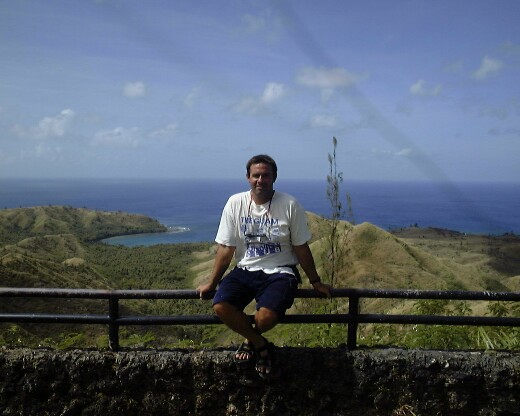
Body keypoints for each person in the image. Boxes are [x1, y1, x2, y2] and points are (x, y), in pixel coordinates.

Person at [197, 154, 332, 379]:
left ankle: (251, 342)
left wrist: (315, 281)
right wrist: (212, 283)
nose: (260, 180)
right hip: (245, 269)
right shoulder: (235, 203)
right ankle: (260, 345)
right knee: (221, 306)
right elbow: (226, 248)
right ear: (248, 178)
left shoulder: (289, 204)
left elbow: (301, 247)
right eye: (256, 175)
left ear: (274, 177)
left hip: (281, 271)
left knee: (265, 317)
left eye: (265, 175)